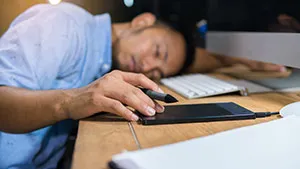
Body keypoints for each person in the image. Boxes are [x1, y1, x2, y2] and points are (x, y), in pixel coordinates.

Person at [0, 2, 286, 168]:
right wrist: (72, 101)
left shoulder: (105, 60)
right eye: (157, 52)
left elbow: (192, 60)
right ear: (142, 21)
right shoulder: (61, 24)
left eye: (158, 71)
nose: (149, 65)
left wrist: (235, 56)